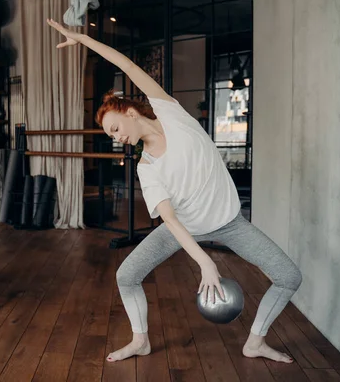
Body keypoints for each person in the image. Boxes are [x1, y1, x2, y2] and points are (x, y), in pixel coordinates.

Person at [47, 18, 303, 364]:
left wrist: (83, 40)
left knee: (288, 276)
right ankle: (141, 340)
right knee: (126, 275)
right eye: (110, 135)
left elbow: (126, 64)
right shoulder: (146, 167)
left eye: (115, 128)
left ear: (131, 111)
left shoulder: (173, 115)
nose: (116, 137)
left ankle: (255, 342)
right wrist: (205, 262)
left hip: (230, 223)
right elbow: (168, 217)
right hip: (181, 228)